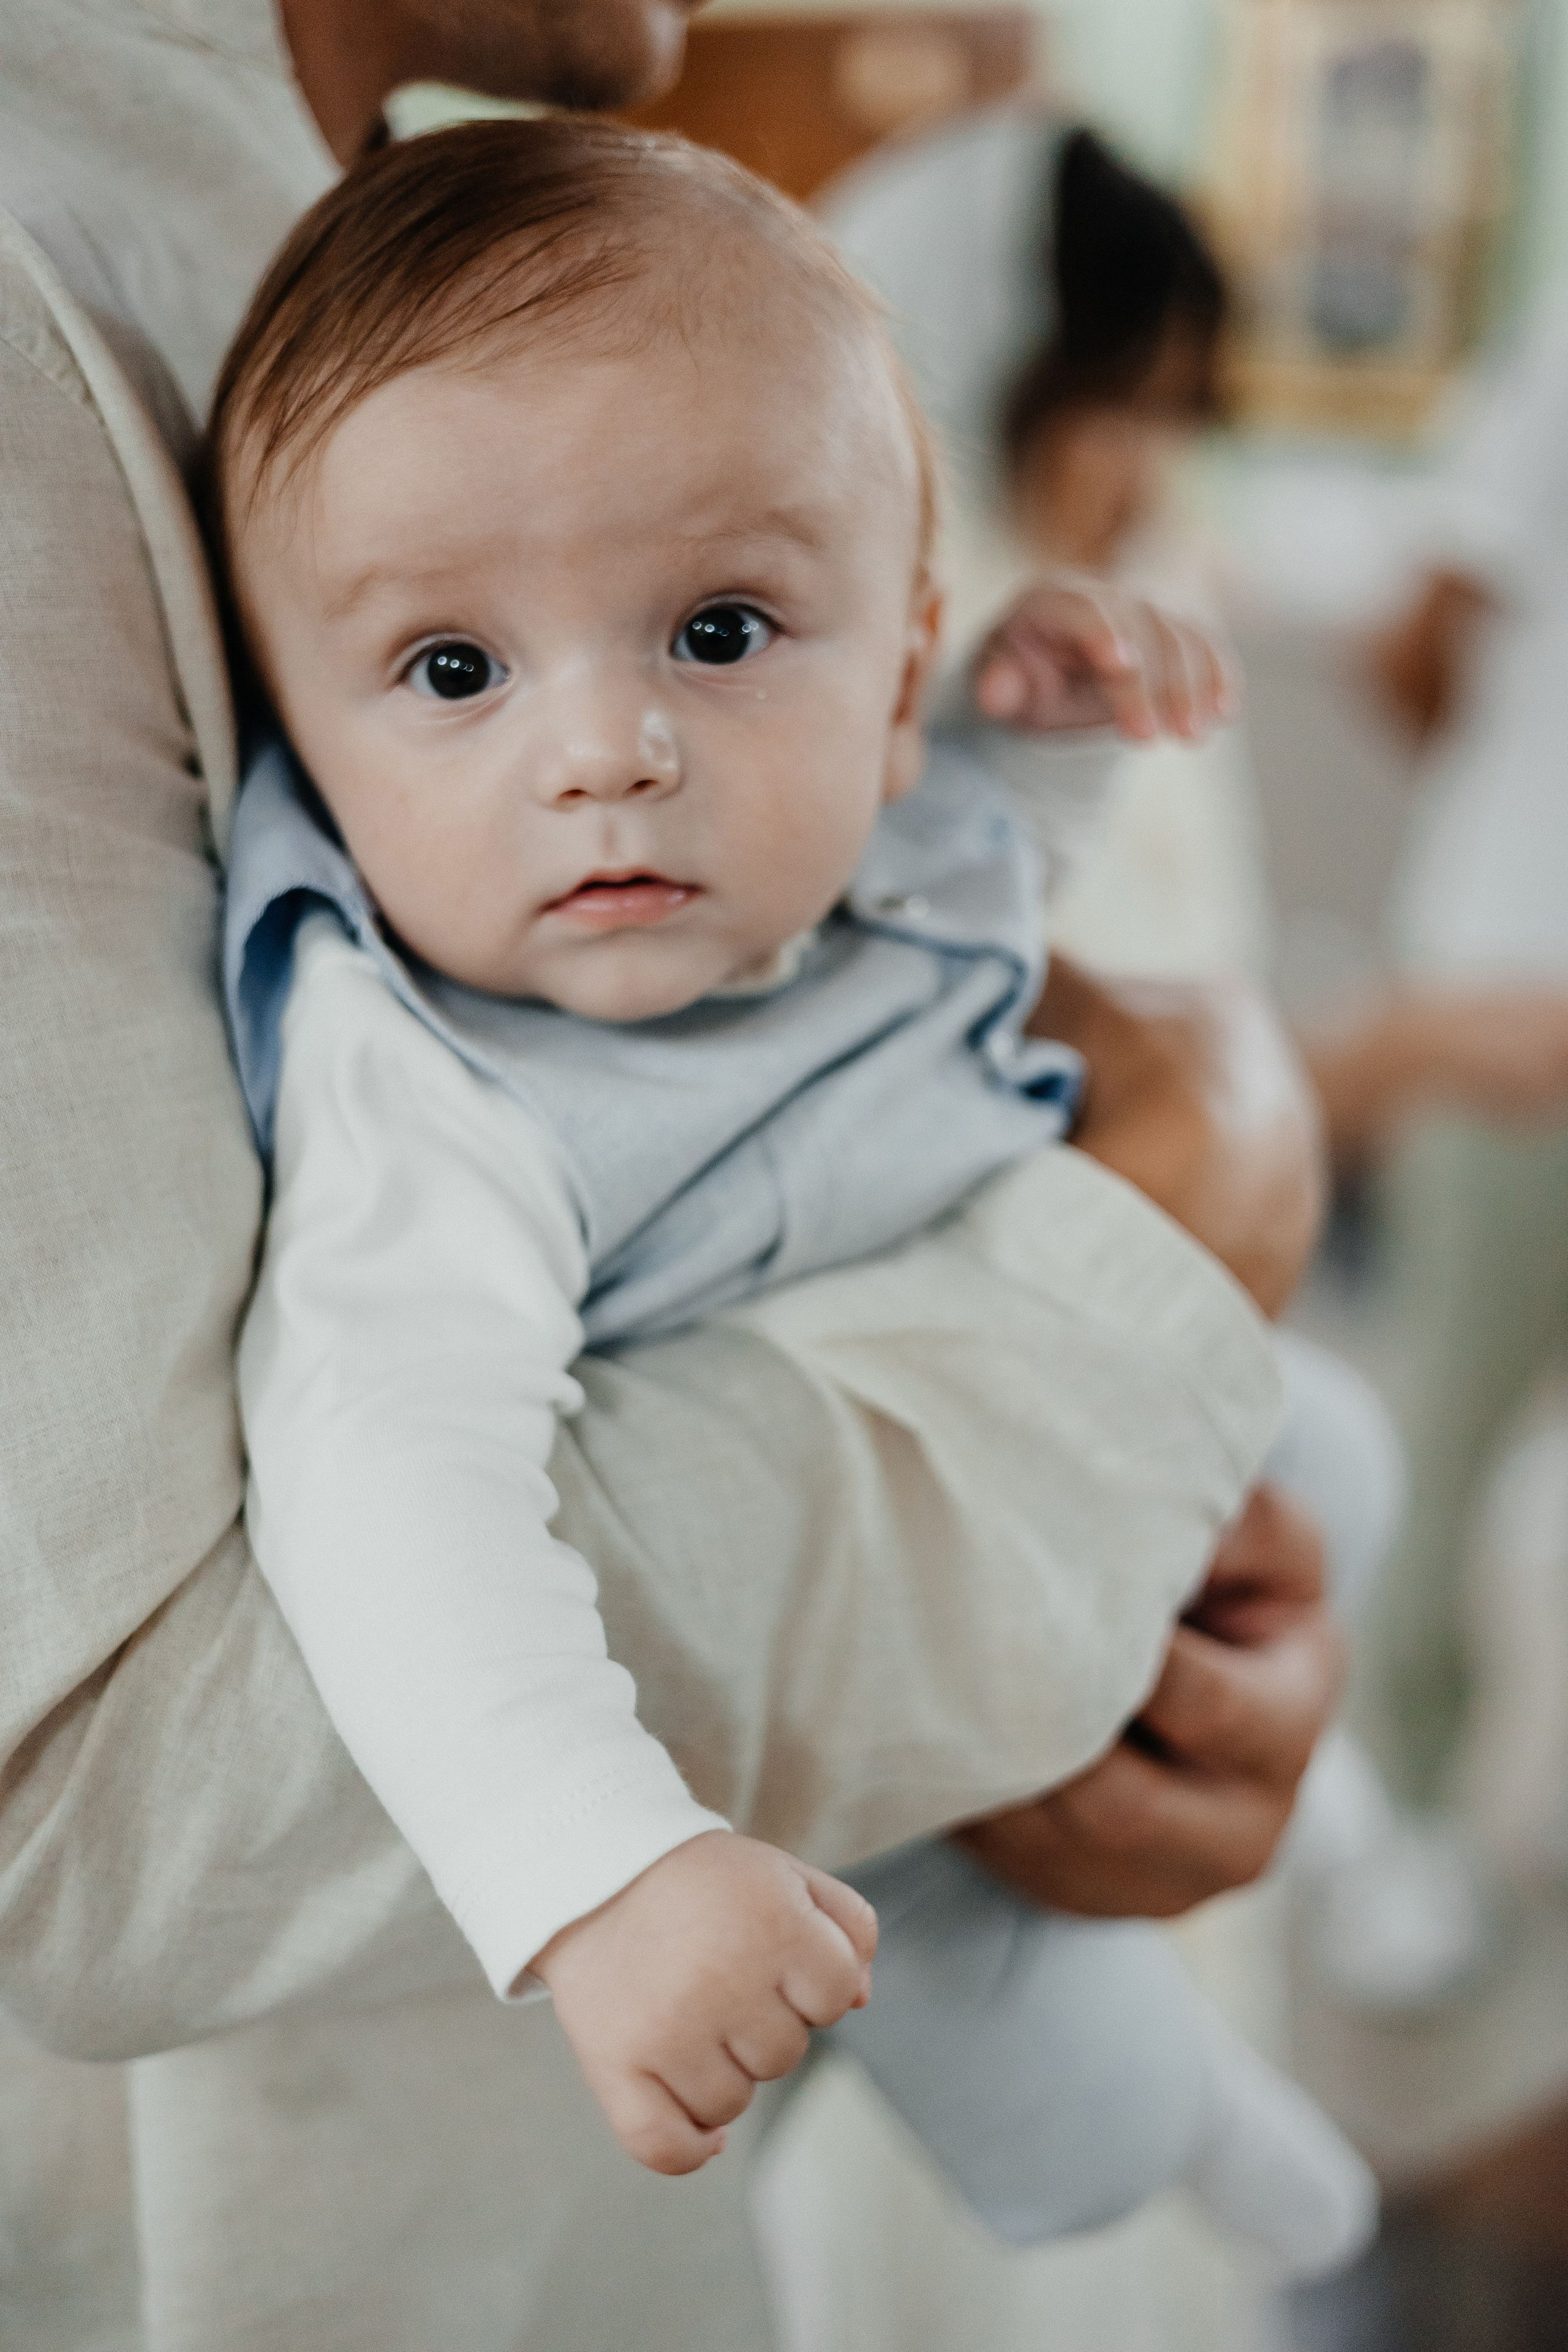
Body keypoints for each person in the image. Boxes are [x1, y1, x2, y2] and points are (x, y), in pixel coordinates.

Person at [0, 7, 1344, 2343]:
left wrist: (1034, 769)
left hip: (973, 1533)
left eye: (719, 636)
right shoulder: (442, 1091)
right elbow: (355, 1527)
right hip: (449, 2128)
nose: (608, 752)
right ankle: (1237, 2161)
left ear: (898, 640)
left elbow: (941, 910)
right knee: (1004, 1994)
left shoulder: (414, 266)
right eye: (449, 673)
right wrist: (599, 1867)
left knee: (1321, 1514)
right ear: (294, 746)